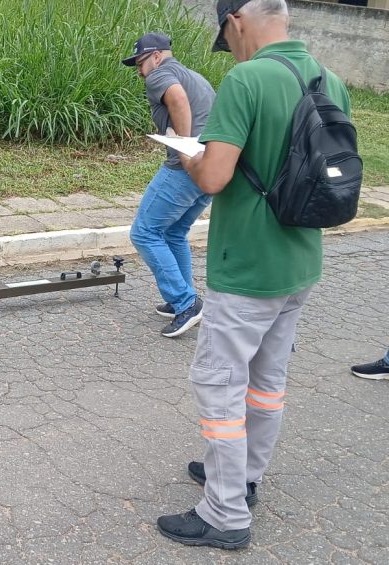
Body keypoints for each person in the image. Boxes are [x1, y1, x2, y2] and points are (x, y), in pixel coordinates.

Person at [155, 0, 352, 549]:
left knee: (219, 384)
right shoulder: (329, 79)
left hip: (247, 267)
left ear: (236, 20)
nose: (231, 49)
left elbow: (213, 177)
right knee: (266, 383)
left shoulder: (247, 80)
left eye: (227, 37)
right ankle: (244, 479)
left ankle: (225, 514)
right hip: (300, 261)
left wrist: (188, 154)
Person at [122, 32, 215, 338]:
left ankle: (186, 303)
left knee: (144, 232)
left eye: (140, 63)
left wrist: (183, 147)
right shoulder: (196, 77)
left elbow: (177, 98)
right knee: (174, 232)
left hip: (184, 170)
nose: (139, 71)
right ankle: (182, 299)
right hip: (208, 168)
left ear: (157, 56)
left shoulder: (160, 75)